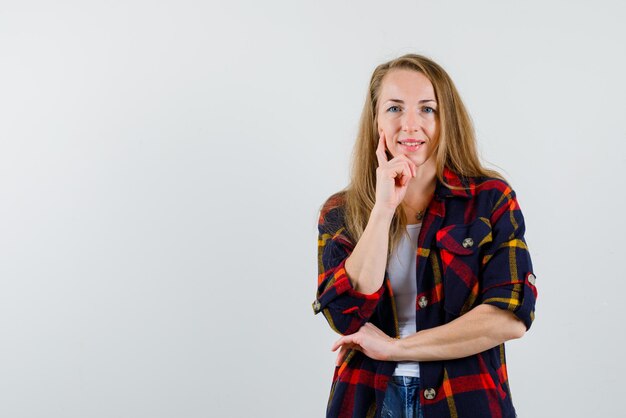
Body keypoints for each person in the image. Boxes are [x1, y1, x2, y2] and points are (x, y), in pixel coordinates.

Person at [313, 54, 537, 418]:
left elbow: (509, 317)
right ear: (376, 120)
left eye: (427, 109)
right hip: (369, 399)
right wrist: (383, 209)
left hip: (465, 400)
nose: (410, 124)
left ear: (446, 118)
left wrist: (397, 348)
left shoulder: (491, 199)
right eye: (395, 108)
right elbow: (345, 315)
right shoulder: (340, 212)